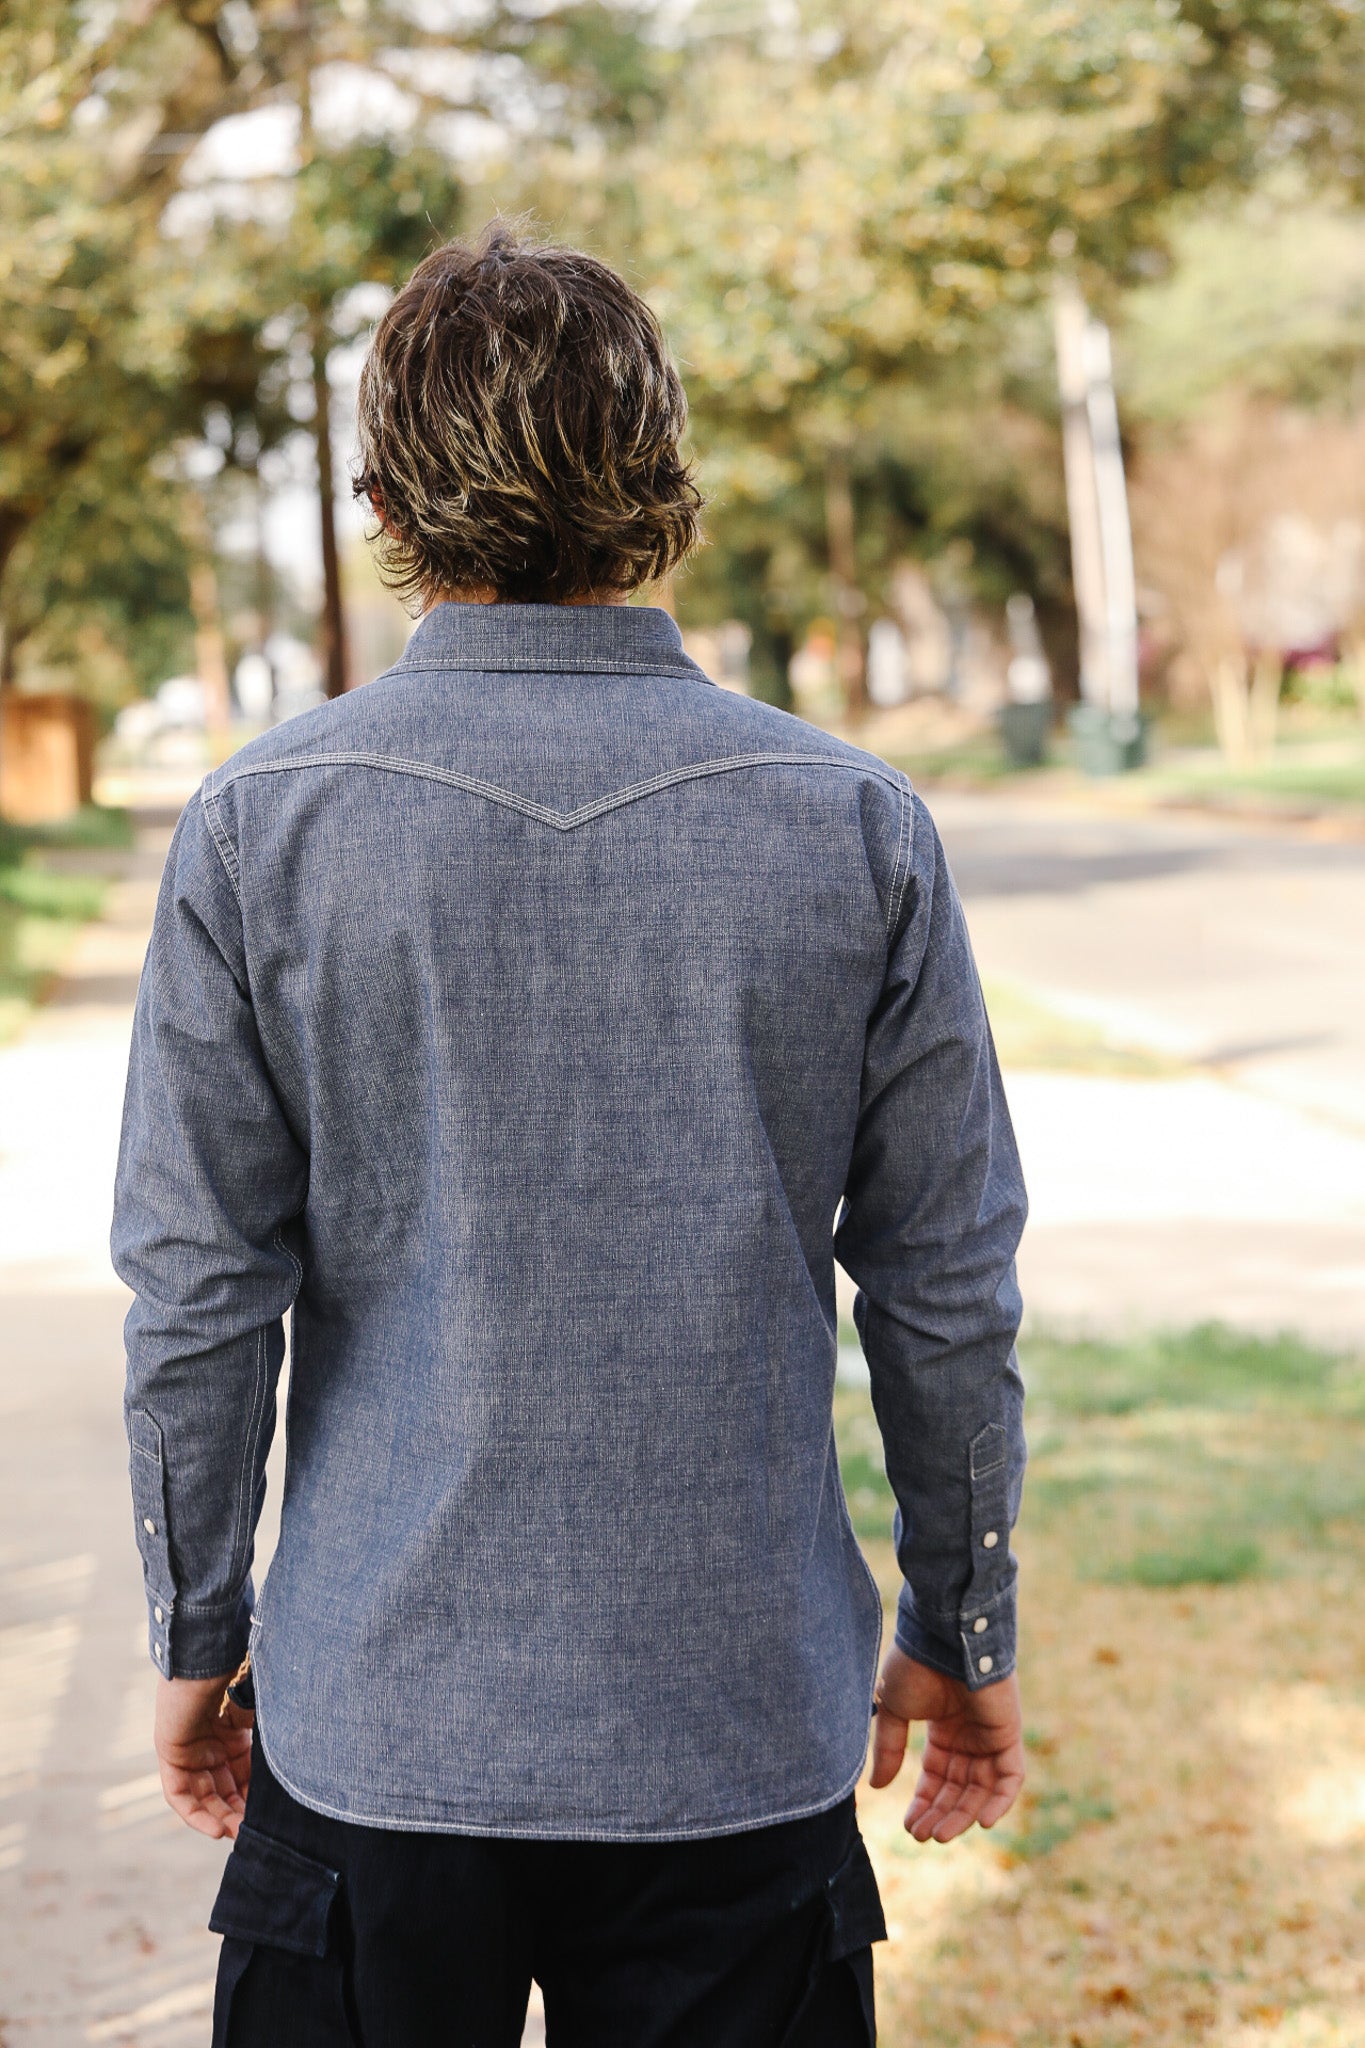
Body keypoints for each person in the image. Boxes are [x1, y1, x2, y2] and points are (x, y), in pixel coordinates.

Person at [112, 223, 1027, 2048]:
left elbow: (199, 1294)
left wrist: (197, 1633)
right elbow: (943, 1287)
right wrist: (960, 1621)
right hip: (734, 1730)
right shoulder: (852, 827)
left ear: (381, 495)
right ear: (664, 483)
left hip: (378, 1725)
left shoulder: (257, 832)